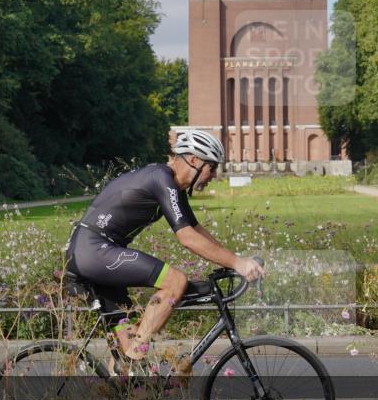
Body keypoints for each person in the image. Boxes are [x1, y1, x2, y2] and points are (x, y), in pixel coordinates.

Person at [63, 130, 264, 373]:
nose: (213, 176)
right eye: (212, 168)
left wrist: (235, 260)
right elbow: (187, 238)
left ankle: (125, 390)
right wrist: (237, 263)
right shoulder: (162, 179)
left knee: (128, 363)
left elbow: (195, 228)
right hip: (94, 250)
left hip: (92, 251)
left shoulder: (169, 184)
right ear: (194, 160)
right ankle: (137, 355)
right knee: (175, 281)